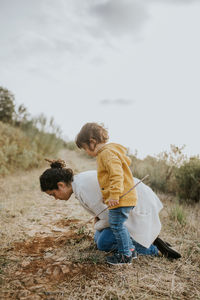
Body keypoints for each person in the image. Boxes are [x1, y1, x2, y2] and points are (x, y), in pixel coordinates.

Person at [40, 160, 181, 260]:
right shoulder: (78, 184)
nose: (55, 199)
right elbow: (102, 214)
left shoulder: (83, 188)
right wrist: (98, 225)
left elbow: (109, 218)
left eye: (53, 194)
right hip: (125, 209)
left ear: (61, 185)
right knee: (98, 237)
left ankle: (152, 249)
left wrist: (96, 225)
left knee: (103, 242)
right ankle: (143, 239)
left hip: (136, 206)